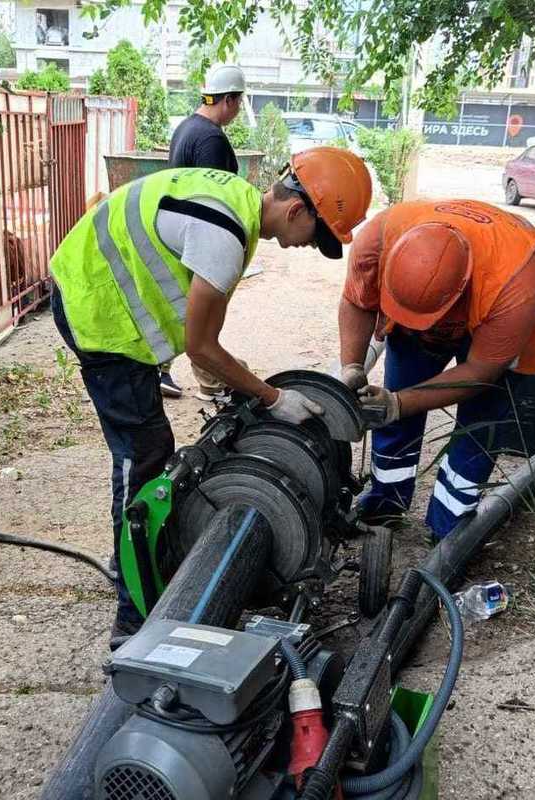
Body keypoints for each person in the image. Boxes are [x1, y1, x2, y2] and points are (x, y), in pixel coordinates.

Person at [50, 147, 372, 644]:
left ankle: (132, 556)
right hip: (95, 309)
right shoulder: (225, 235)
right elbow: (202, 348)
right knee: (143, 455)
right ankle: (133, 616)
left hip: (107, 300)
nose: (310, 247)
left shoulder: (236, 206)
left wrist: (243, 381)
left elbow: (206, 341)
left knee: (152, 447)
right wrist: (270, 398)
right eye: (317, 237)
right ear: (296, 210)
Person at [338, 199, 535, 543]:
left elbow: (480, 372)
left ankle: (450, 526)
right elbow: (357, 300)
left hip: (493, 326)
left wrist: (399, 402)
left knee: (477, 430)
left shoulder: (515, 283)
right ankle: (386, 500)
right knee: (394, 409)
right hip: (430, 304)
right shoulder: (379, 237)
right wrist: (352, 367)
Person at [157, 64, 247, 399]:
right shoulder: (211, 137)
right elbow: (214, 198)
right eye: (238, 103)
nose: (237, 111)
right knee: (202, 316)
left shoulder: (186, 128)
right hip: (199, 236)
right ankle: (211, 382)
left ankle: (162, 370)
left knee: (183, 307)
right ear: (228, 100)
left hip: (181, 230)